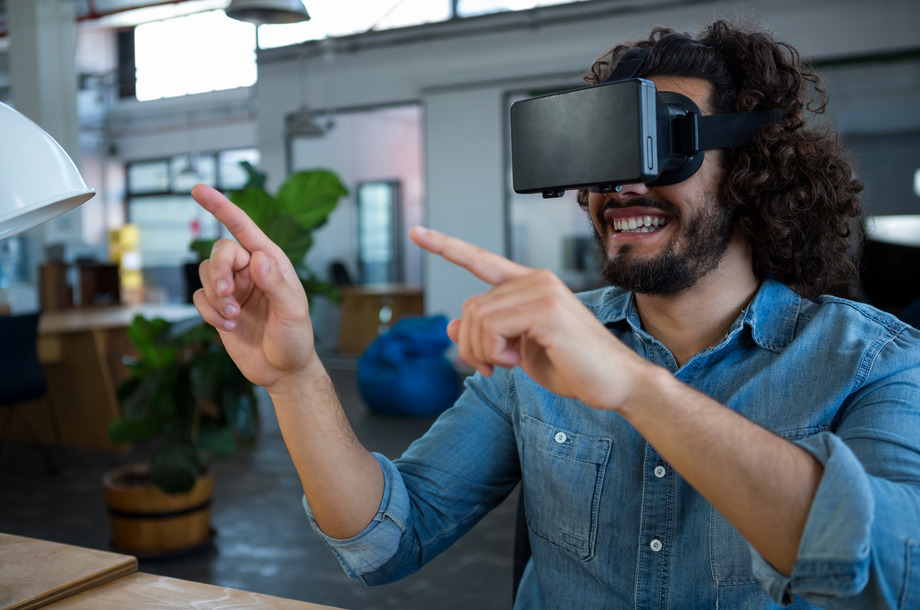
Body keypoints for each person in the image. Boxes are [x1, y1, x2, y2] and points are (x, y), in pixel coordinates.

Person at [190, 20, 920, 609]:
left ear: (753, 166)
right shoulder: (538, 349)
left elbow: (894, 574)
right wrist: (295, 377)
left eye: (661, 144)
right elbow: (387, 540)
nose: (624, 183)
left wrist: (636, 387)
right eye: (603, 150)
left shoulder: (876, 363)